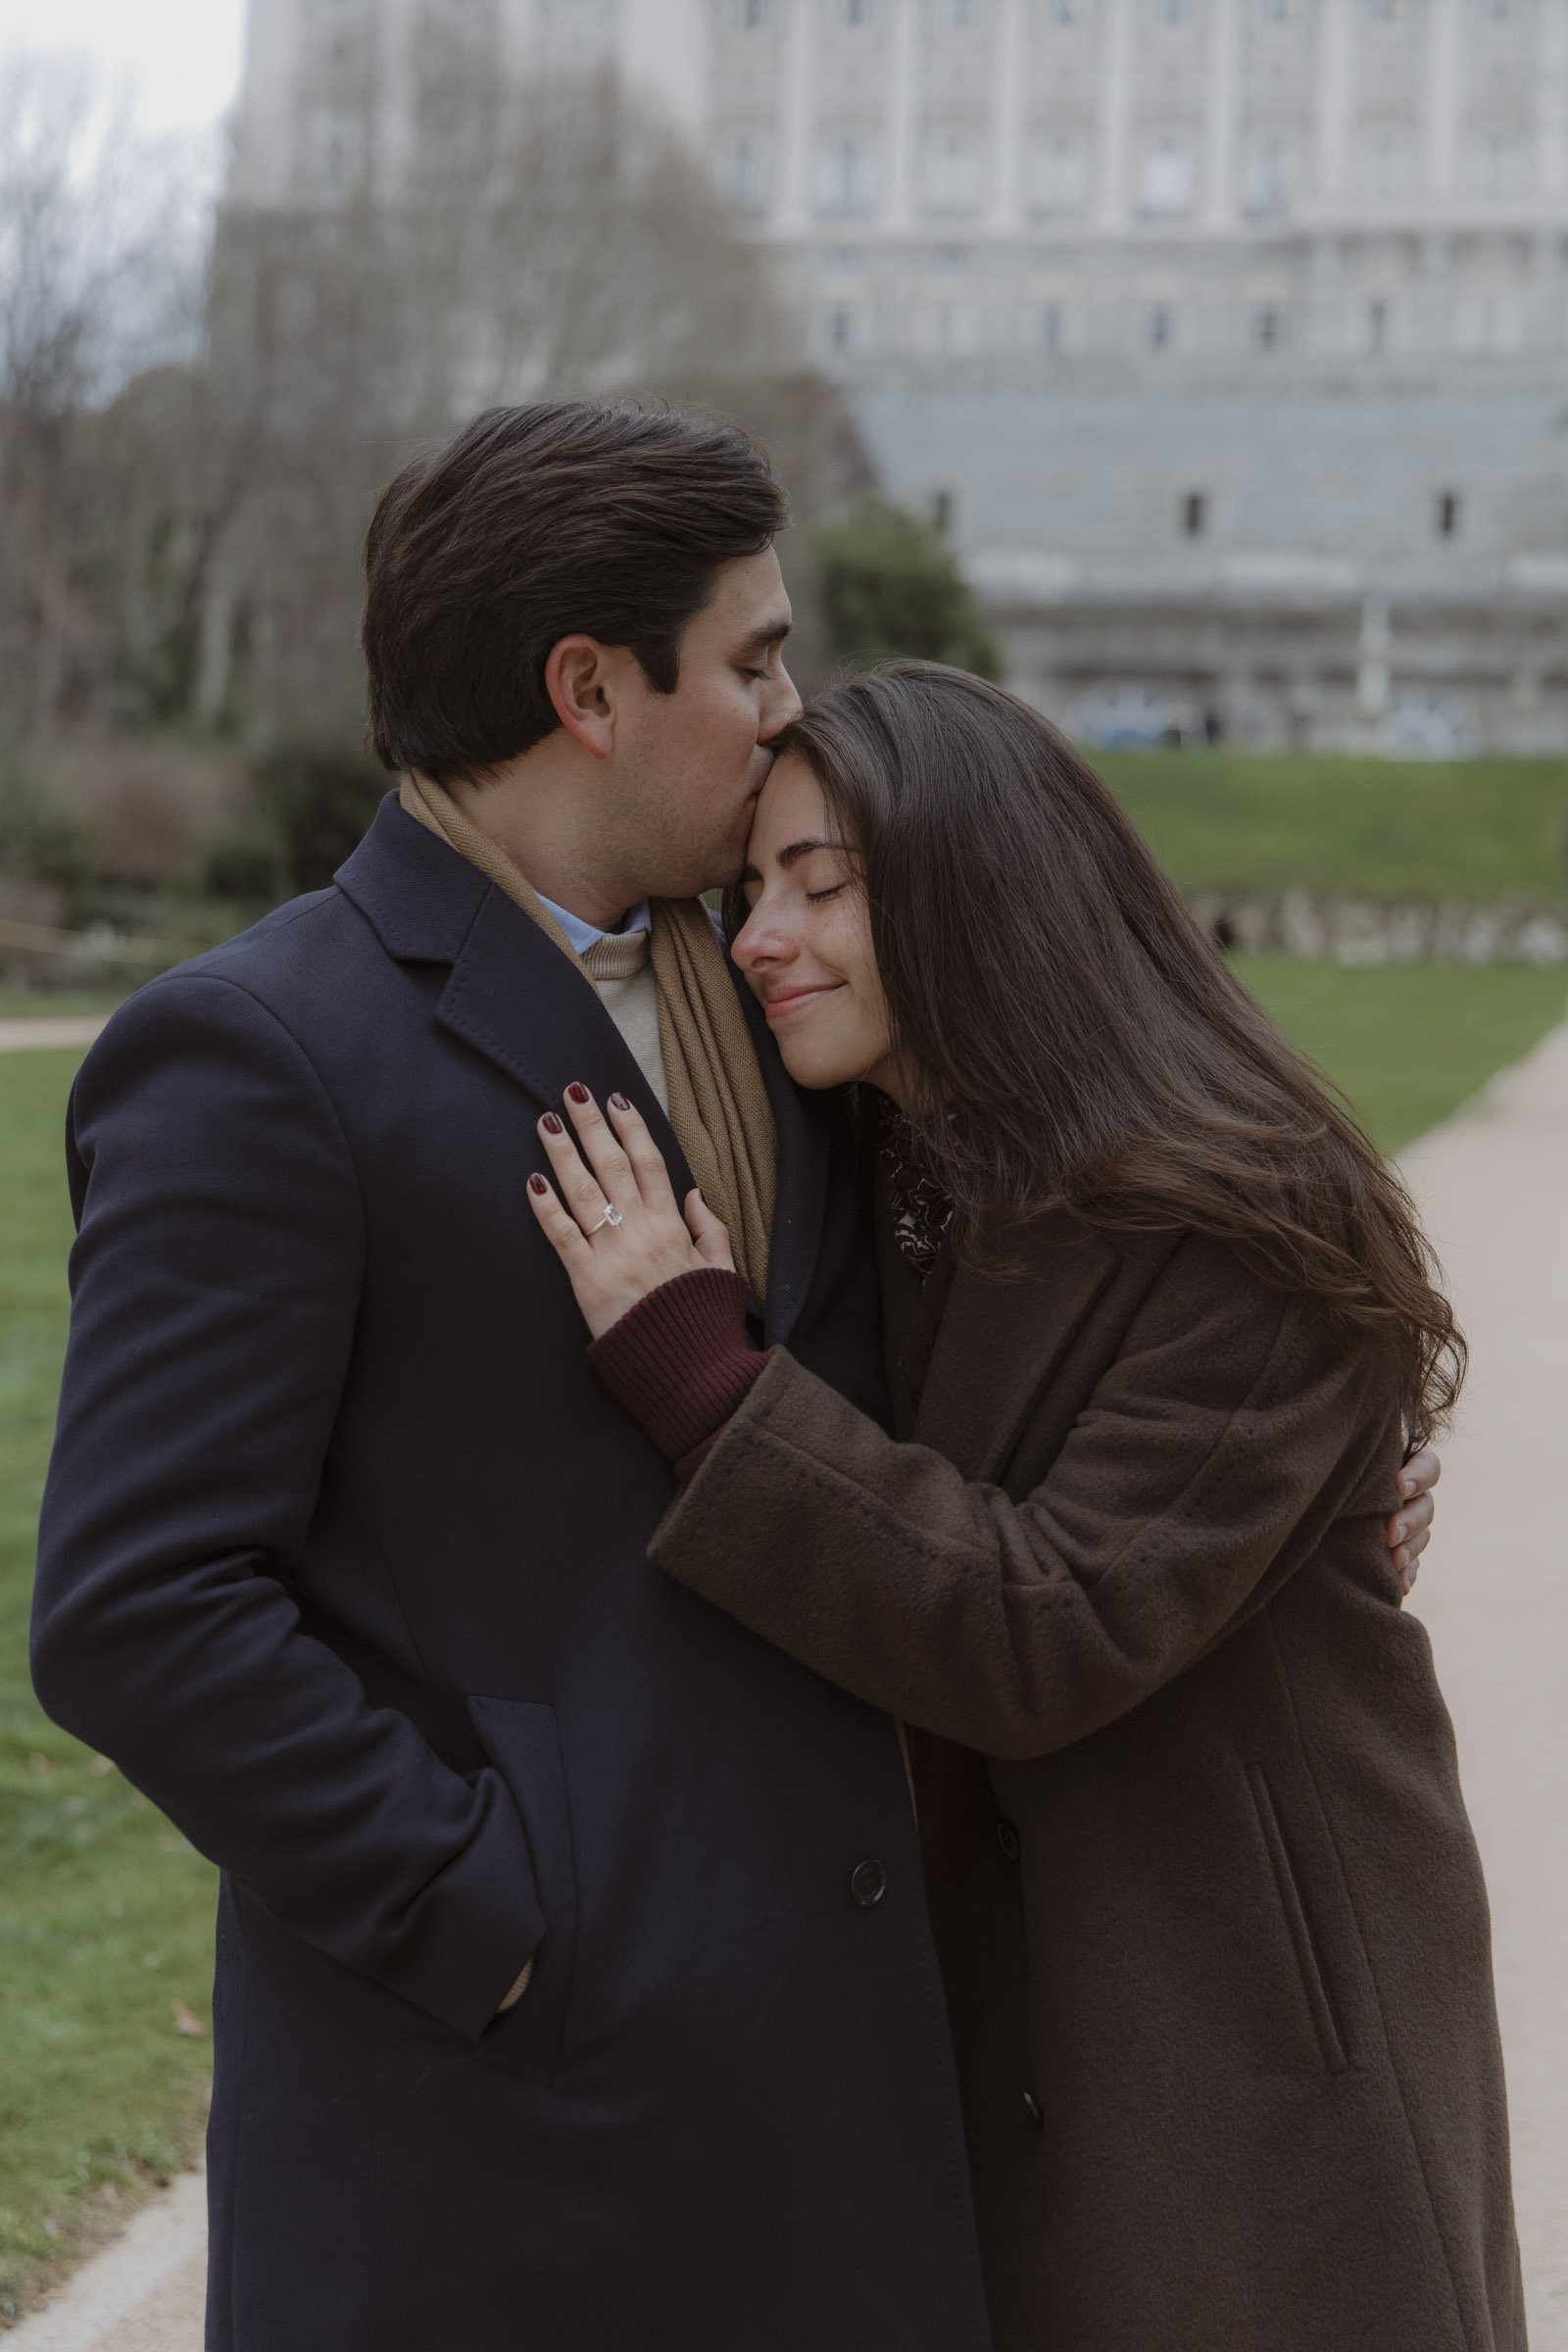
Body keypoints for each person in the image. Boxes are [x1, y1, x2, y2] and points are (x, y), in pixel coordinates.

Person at [30, 407, 1000, 2350]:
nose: (784, 710)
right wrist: (505, 1928)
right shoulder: (253, 1055)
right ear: (587, 690)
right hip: (501, 2170)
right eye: (746, 662)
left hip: (843, 2116)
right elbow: (138, 1612)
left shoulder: (785, 982)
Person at [524, 662, 1520, 2352]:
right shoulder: (881, 1168)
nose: (761, 935)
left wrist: (709, 1383)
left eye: (821, 887)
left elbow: (1044, 1626)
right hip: (986, 2022)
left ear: (981, 883)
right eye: (750, 889)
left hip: (1248, 2040)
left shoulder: (1240, 1213)